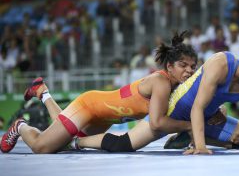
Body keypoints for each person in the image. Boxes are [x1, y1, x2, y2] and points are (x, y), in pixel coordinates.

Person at [0, 32, 198, 154]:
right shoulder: (161, 81)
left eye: (193, 66)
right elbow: (156, 123)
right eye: (183, 65)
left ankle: (42, 92)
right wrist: (190, 125)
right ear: (170, 66)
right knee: (41, 147)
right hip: (90, 106)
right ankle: (20, 126)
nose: (189, 71)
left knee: (62, 143)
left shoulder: (175, 86)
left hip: (105, 117)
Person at [75, 47, 239, 154]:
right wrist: (200, 147)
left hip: (205, 116)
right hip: (176, 110)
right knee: (124, 144)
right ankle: (78, 142)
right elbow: (197, 107)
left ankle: (184, 137)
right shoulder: (221, 63)